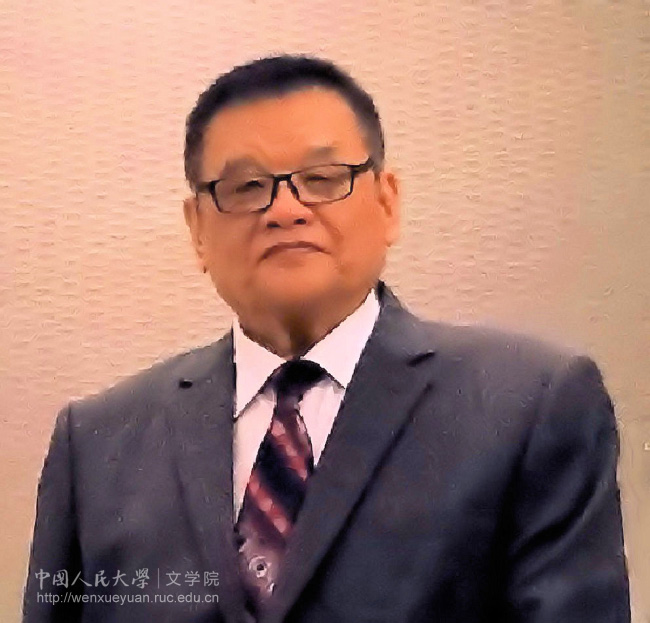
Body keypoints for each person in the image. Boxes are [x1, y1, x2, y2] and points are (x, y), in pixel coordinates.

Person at [23, 54, 630, 623]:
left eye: (322, 178)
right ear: (198, 229)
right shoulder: (96, 443)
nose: (285, 210)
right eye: (245, 187)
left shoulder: (528, 406)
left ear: (387, 203)